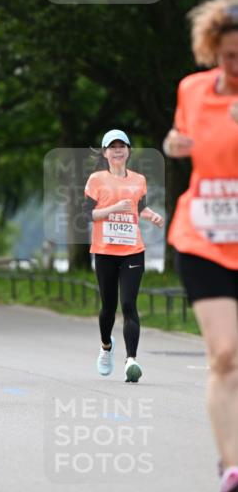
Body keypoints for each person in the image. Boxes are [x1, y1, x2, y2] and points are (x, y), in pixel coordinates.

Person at [164, 0, 238, 492]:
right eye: (229, 54)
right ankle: (232, 469)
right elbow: (180, 139)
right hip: (204, 236)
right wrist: (173, 145)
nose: (236, 65)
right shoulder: (192, 89)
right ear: (212, 48)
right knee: (225, 354)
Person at [84, 131, 164, 382]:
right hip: (105, 252)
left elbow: (138, 206)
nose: (117, 151)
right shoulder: (96, 179)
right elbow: (89, 214)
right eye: (112, 147)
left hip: (133, 250)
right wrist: (114, 209)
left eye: (122, 146)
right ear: (105, 152)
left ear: (128, 151)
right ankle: (106, 346)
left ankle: (131, 361)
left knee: (128, 304)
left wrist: (150, 215)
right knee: (109, 307)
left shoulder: (139, 180)